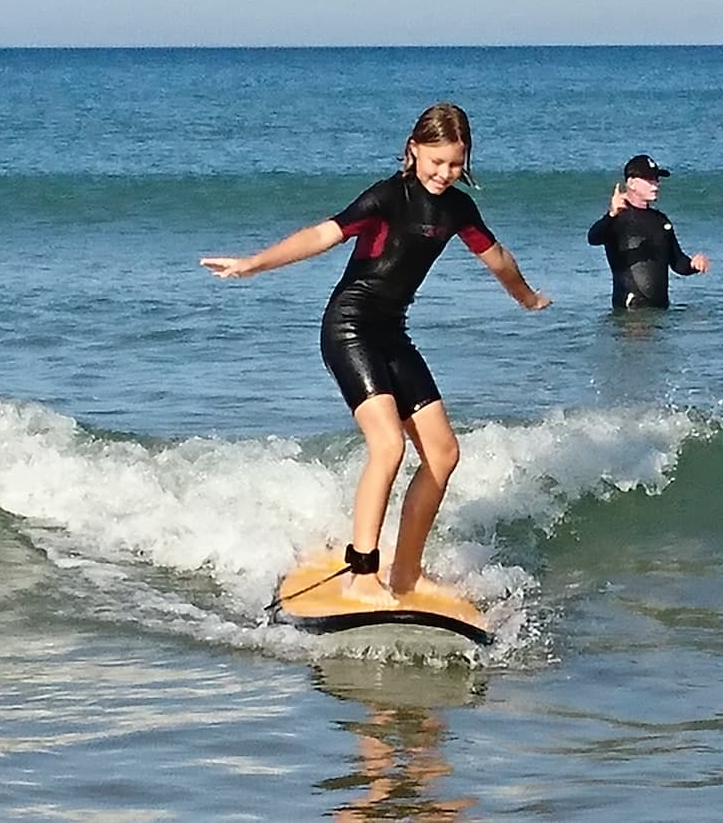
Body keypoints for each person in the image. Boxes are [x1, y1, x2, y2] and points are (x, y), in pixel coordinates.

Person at [201, 103, 550, 605]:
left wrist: (526, 297)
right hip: (348, 329)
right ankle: (361, 572)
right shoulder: (388, 197)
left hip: (391, 334)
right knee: (389, 446)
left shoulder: (457, 209)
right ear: (413, 149)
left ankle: (406, 572)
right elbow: (323, 233)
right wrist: (255, 264)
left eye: (455, 163)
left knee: (445, 453)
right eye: (436, 162)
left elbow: (497, 259)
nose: (444, 173)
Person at [587, 154, 710, 309]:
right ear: (631, 183)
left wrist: (693, 265)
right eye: (649, 180)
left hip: (660, 312)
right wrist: (611, 215)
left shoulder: (660, 221)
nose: (655, 185)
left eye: (657, 179)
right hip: (629, 315)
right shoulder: (618, 219)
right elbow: (593, 238)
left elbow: (678, 263)